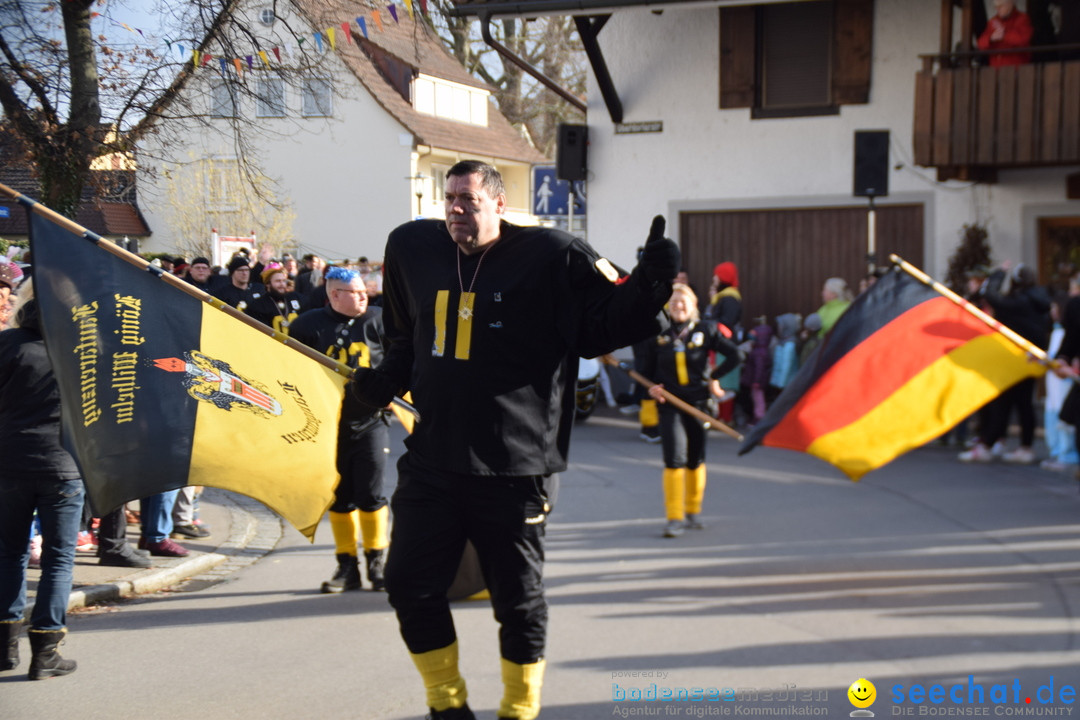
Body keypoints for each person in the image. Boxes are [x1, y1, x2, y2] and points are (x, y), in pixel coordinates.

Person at [350, 160, 677, 720]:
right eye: (448, 198)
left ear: (498, 204)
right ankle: (446, 706)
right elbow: (407, 333)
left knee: (518, 602)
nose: (455, 209)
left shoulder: (552, 254)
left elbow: (602, 327)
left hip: (514, 466)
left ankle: (519, 710)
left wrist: (649, 285)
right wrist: (387, 377)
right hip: (433, 459)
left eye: (468, 200)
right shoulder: (411, 246)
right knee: (407, 585)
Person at [290, 267, 390, 593]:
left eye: (365, 291)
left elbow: (401, 359)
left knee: (371, 494)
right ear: (335, 295)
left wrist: (395, 390)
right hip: (326, 427)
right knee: (339, 497)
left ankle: (378, 562)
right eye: (357, 292)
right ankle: (347, 566)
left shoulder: (378, 319)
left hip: (370, 422)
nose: (365, 296)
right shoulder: (306, 326)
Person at [0, 280, 81, 679]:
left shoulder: (7, 343)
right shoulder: (82, 349)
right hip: (62, 466)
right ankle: (46, 651)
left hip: (10, 461)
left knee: (9, 552)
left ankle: (4, 647)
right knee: (58, 558)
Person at [643, 283, 739, 538]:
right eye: (673, 302)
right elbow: (646, 372)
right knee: (674, 459)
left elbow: (735, 356)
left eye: (683, 301)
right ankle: (674, 518)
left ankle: (692, 510)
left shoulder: (706, 329)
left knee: (695, 459)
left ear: (694, 305)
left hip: (698, 405)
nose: (678, 306)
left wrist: (714, 378)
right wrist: (651, 388)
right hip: (670, 405)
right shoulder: (659, 334)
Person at [960, 264, 1050, 463]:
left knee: (1003, 402)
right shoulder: (1039, 301)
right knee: (1023, 403)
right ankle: (1022, 447)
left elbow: (992, 297)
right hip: (1030, 358)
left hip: (1013, 358)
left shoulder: (1018, 302)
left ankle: (988, 444)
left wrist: (999, 273)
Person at [244, 263, 303, 334]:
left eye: (284, 281)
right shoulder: (258, 305)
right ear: (268, 284)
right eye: (278, 281)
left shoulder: (294, 298)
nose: (282, 284)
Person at [978, 0, 1033, 67]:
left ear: (1009, 5)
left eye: (1000, 6)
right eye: (996, 7)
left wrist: (1004, 34)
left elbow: (1023, 40)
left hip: (1016, 68)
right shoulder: (993, 21)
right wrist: (991, 38)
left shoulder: (1022, 19)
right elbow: (981, 44)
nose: (997, 9)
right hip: (996, 69)